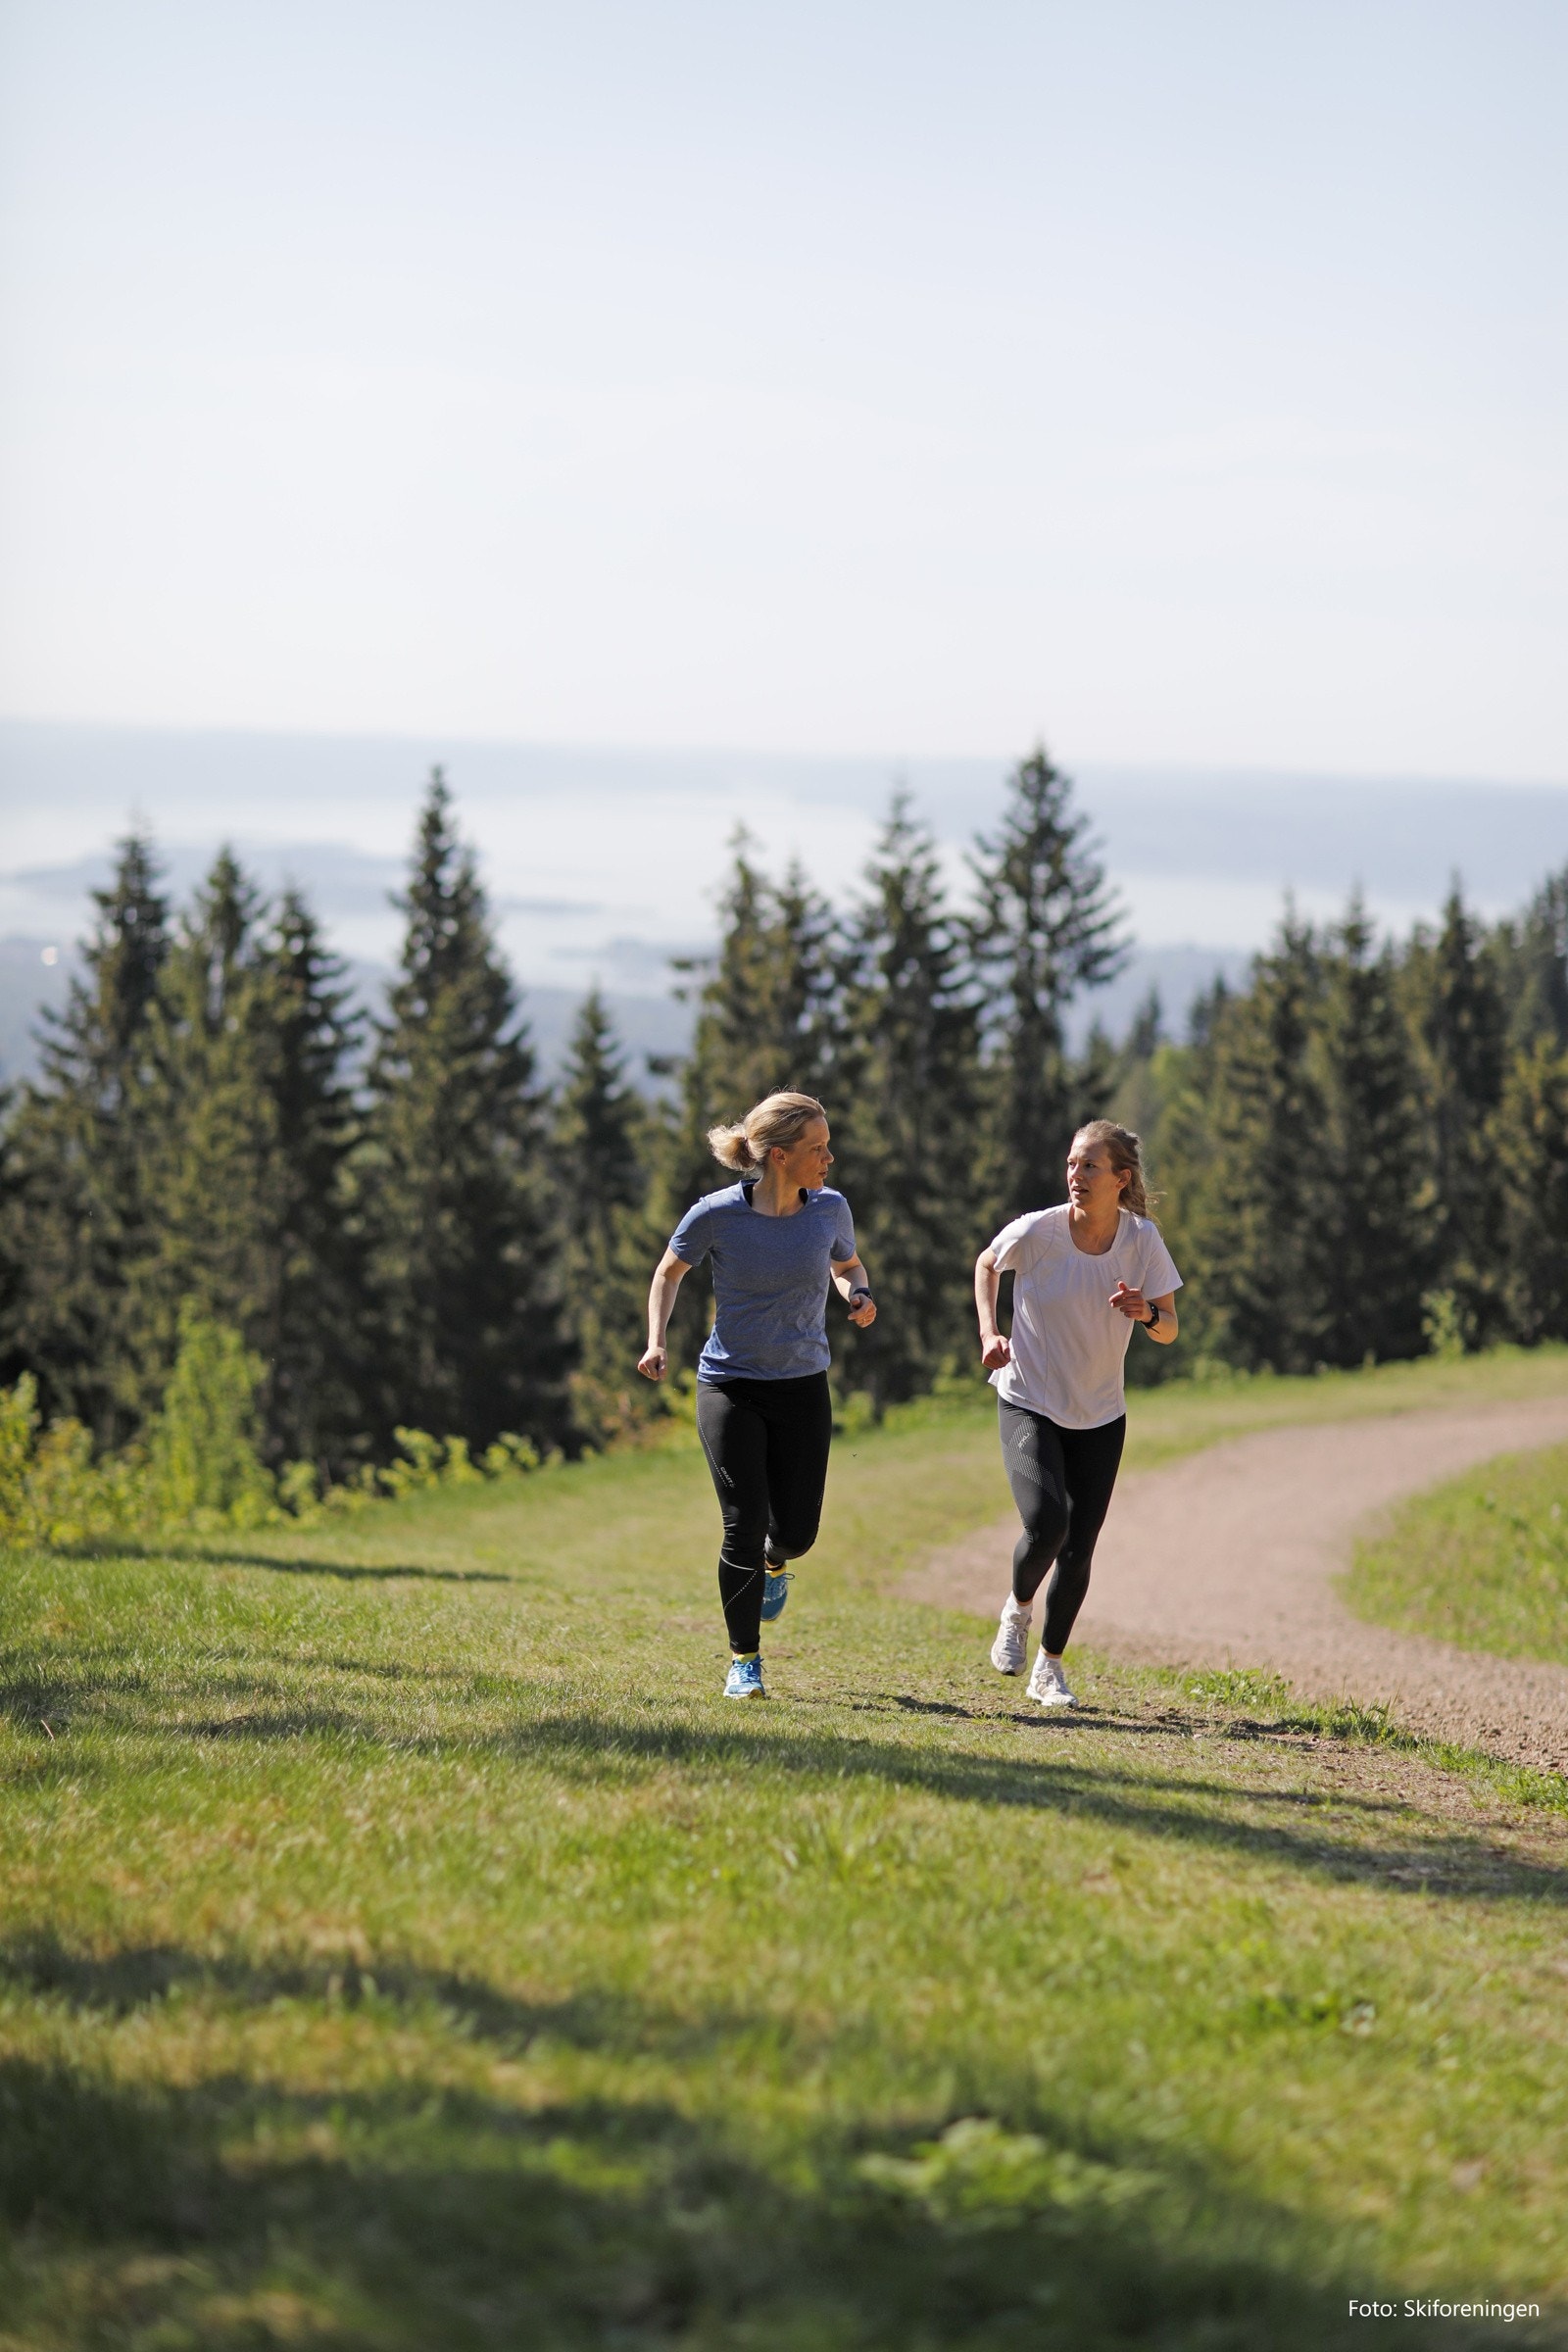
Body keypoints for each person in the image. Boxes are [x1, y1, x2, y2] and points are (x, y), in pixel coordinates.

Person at [637, 1091, 876, 1697]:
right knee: (740, 1524)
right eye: (817, 1149)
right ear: (777, 1156)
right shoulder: (715, 1215)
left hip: (802, 1386)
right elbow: (668, 1272)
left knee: (796, 1532)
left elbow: (847, 1265)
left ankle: (778, 1559)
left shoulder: (829, 1209)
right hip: (731, 1386)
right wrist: (656, 1340)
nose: (829, 1159)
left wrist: (856, 1294)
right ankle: (745, 1661)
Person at [973, 1119, 1181, 1708]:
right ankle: (1016, 1612)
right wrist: (990, 1331)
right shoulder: (1039, 1231)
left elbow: (1169, 1329)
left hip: (1101, 1414)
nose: (1075, 1175)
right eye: (1071, 1164)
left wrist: (1145, 1313)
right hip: (1030, 1400)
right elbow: (988, 1264)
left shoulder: (1143, 1241)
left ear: (1121, 1178)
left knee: (1079, 1548)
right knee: (1048, 1522)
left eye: (1089, 1166)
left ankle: (1050, 1668)